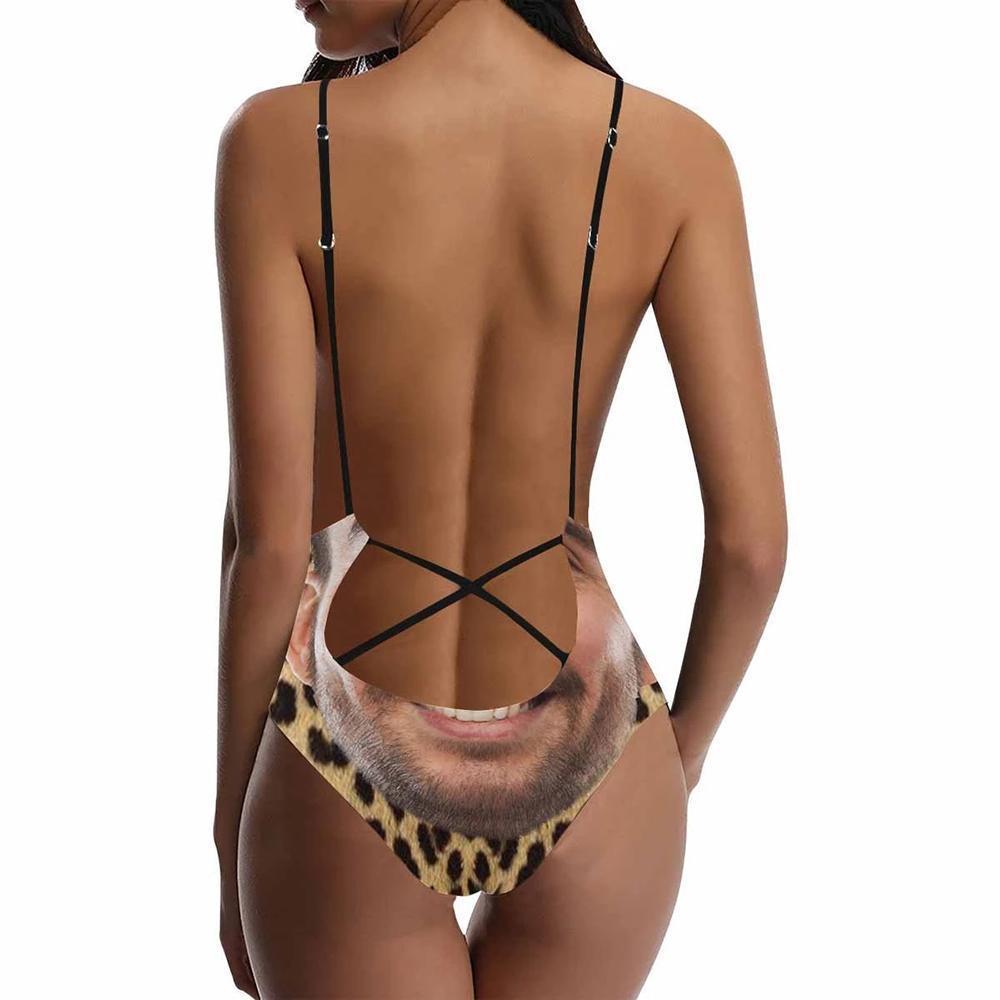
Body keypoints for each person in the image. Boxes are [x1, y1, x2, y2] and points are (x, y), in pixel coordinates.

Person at [214, 1, 787, 997]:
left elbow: (267, 546)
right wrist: (677, 755)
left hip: (348, 748)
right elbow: (753, 544)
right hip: (600, 747)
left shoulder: (278, 145)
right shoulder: (678, 152)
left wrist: (229, 825)